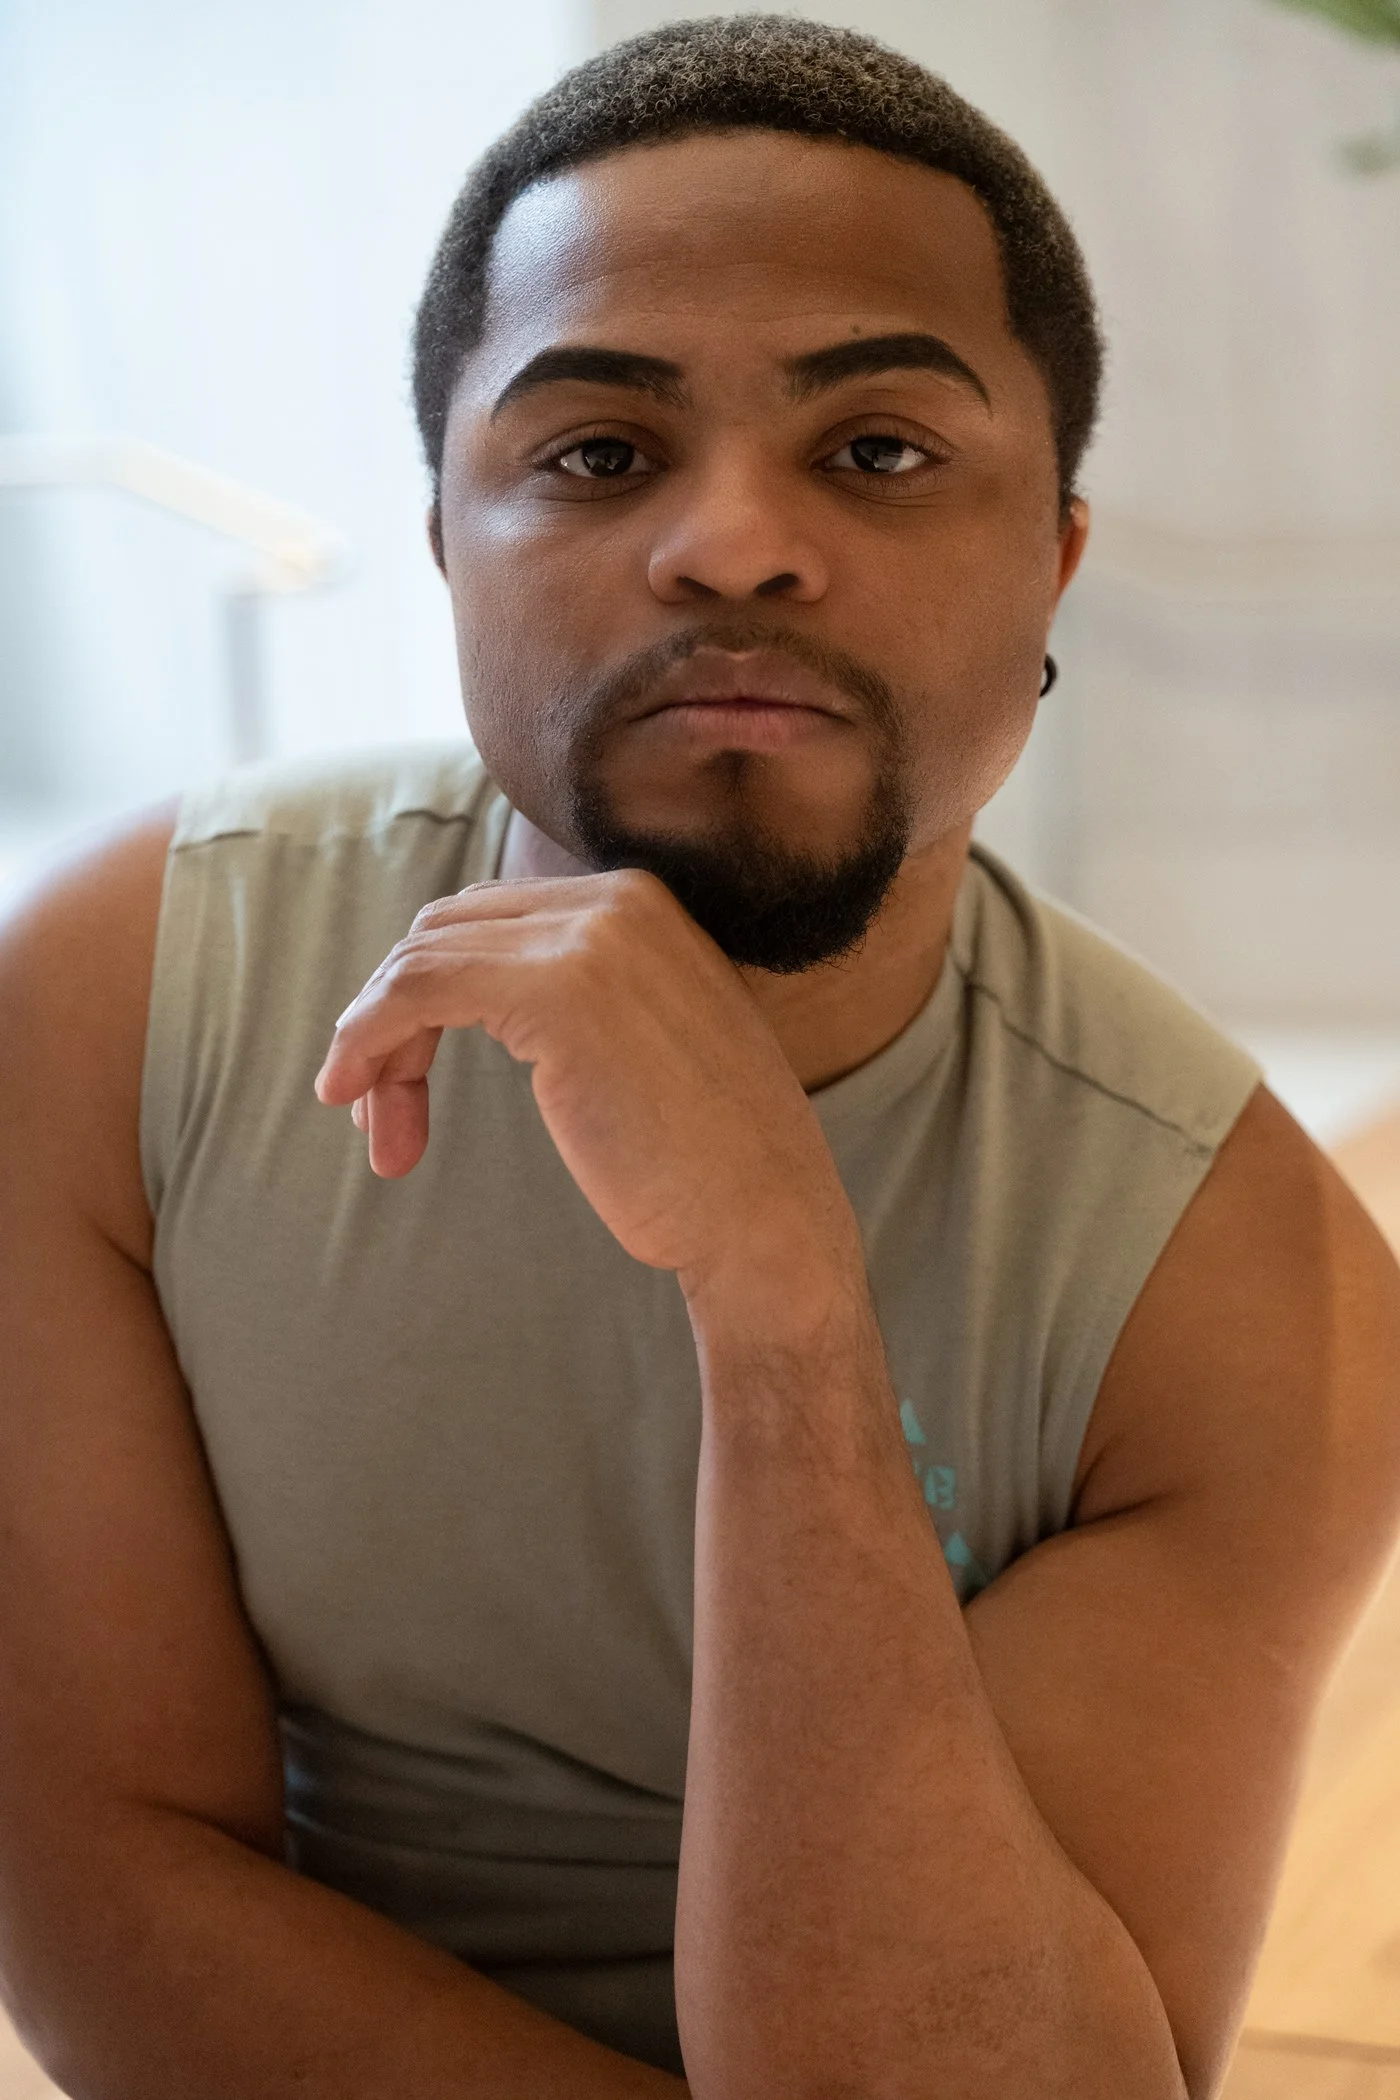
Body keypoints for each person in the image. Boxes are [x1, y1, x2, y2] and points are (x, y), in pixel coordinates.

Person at [2, 17, 1398, 2099]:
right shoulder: (127, 996)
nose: (734, 544)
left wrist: (780, 1302)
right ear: (445, 540)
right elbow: (109, 1889)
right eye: (596, 453)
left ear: (1053, 563)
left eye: (878, 452)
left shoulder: (1247, 1288)